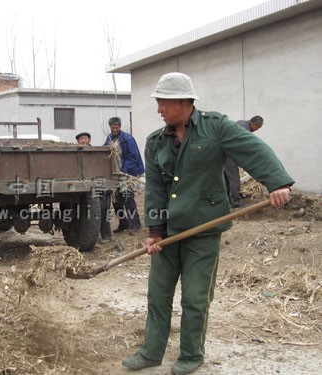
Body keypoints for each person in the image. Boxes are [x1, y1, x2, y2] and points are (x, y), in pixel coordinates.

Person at [122, 72, 293, 375]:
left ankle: (190, 355)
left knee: (196, 297)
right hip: (168, 233)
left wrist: (277, 183)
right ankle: (151, 352)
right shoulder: (155, 141)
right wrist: (154, 231)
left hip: (203, 230)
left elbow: (252, 149)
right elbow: (156, 190)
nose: (158, 109)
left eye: (163, 103)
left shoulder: (216, 128)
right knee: (158, 294)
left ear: (183, 102)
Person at [103, 117, 145, 235]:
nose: (115, 130)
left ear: (120, 126)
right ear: (110, 127)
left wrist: (123, 170)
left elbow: (133, 156)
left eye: (116, 128)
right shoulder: (110, 138)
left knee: (128, 198)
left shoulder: (127, 138)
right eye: (113, 128)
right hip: (116, 174)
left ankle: (135, 224)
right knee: (116, 200)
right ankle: (123, 223)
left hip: (128, 173)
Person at [75, 131, 113, 243]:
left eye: (85, 138)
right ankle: (91, 236)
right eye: (81, 139)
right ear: (77, 142)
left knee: (102, 209)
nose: (83, 141)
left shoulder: (97, 152)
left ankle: (106, 235)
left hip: (99, 185)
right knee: (87, 213)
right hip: (84, 187)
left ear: (89, 140)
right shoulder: (75, 154)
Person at [224, 115, 264, 207]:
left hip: (223, 153)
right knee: (234, 179)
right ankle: (235, 202)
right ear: (254, 124)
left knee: (227, 179)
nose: (257, 130)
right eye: (258, 128)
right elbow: (242, 146)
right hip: (229, 154)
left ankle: (227, 201)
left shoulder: (241, 123)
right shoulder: (245, 130)